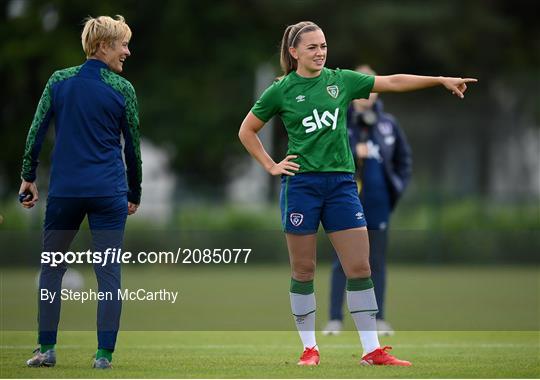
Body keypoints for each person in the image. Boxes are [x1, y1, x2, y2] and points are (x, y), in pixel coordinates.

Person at [238, 21, 476, 367]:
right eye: (312, 48)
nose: (320, 53)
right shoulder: (281, 91)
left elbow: (392, 82)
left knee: (360, 266)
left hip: (342, 186)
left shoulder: (341, 80)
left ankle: (372, 351)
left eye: (323, 46)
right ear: (293, 52)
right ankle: (309, 349)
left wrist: (439, 79)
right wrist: (271, 165)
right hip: (302, 187)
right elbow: (247, 131)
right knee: (303, 270)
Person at [19, 15, 141, 369]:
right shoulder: (123, 89)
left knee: (52, 269)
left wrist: (28, 176)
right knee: (108, 273)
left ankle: (46, 349)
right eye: (123, 45)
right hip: (109, 193)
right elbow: (132, 148)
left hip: (65, 193)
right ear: (103, 46)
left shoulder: (59, 81)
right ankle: (103, 355)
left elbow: (36, 130)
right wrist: (135, 191)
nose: (127, 52)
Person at [323, 65, 412, 337]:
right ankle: (335, 319)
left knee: (376, 261)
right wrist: (353, 150)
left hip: (378, 203)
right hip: (348, 200)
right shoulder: (340, 120)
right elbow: (326, 152)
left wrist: (394, 188)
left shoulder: (388, 124)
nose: (366, 94)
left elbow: (403, 161)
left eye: (370, 89)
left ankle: (379, 317)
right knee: (343, 261)